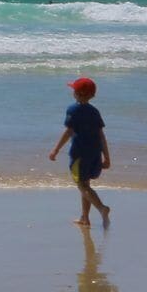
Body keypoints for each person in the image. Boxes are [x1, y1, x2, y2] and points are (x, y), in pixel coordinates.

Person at [49, 76, 111, 227]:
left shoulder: (73, 110)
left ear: (77, 93)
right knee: (86, 184)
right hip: (95, 153)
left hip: (79, 155)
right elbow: (101, 135)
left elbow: (69, 131)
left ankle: (102, 208)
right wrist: (107, 157)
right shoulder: (95, 112)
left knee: (82, 186)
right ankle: (85, 218)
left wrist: (55, 149)